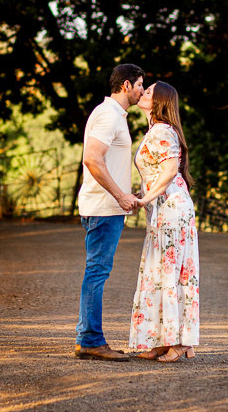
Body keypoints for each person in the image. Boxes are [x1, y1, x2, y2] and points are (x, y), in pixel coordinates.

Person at [74, 63, 145, 361]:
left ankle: (89, 338)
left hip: (108, 207)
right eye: (141, 84)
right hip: (104, 208)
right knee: (97, 272)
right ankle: (90, 340)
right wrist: (120, 196)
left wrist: (130, 194)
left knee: (97, 271)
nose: (143, 90)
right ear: (126, 85)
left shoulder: (114, 115)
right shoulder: (107, 115)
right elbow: (91, 158)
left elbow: (108, 161)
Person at [128, 81, 199, 362]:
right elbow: (157, 174)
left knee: (170, 274)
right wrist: (141, 195)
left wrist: (145, 200)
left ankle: (179, 343)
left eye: (148, 92)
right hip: (163, 210)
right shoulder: (155, 131)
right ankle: (162, 340)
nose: (142, 94)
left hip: (171, 209)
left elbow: (169, 171)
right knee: (160, 274)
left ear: (159, 102)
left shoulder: (162, 131)